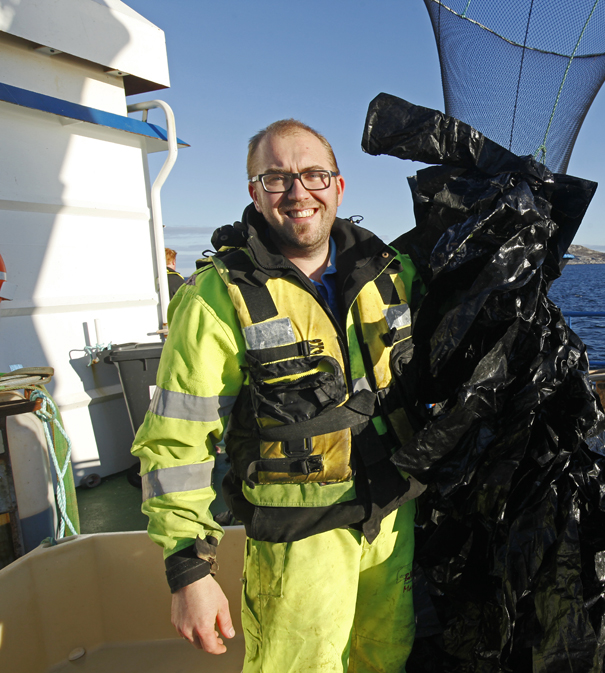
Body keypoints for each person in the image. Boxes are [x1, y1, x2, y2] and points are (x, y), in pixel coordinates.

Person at [132, 119, 426, 672]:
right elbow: (176, 440)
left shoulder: (396, 274)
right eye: (276, 178)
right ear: (254, 193)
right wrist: (189, 569)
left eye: (314, 174)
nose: (298, 193)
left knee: (389, 660)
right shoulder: (216, 297)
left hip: (393, 525)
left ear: (339, 186)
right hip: (298, 546)